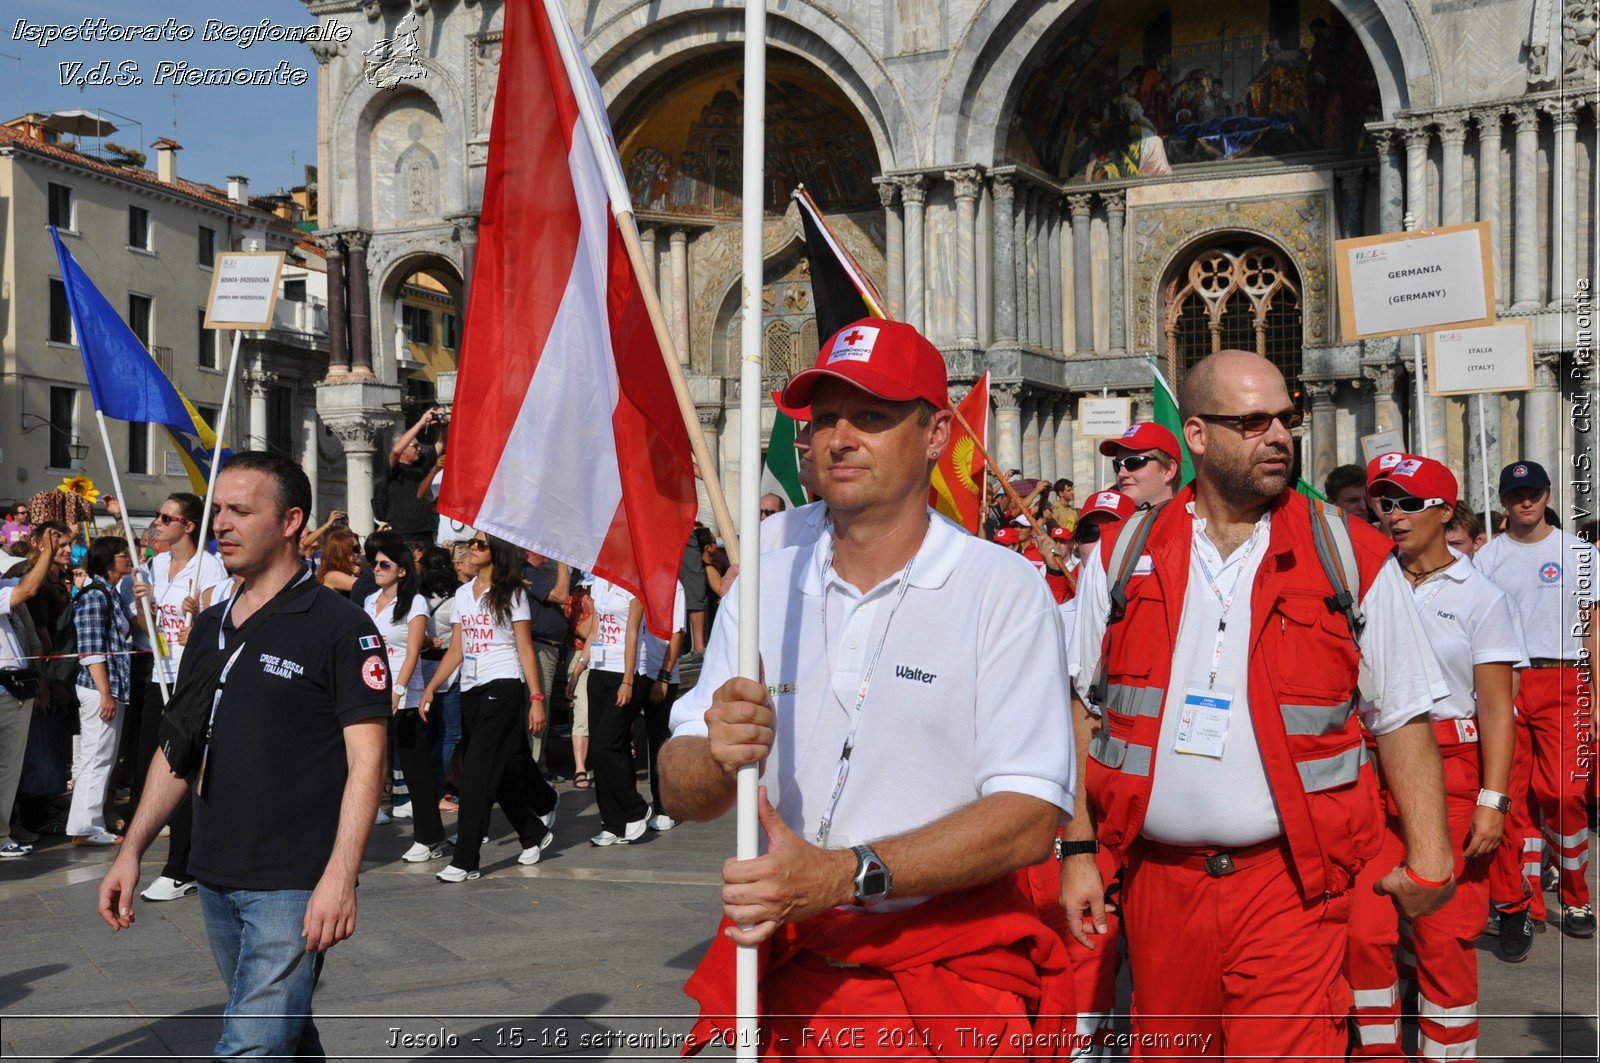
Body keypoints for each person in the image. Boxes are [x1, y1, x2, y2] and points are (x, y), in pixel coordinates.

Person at [663, 318, 1075, 1053]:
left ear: (937, 432)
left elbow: (1028, 815)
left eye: (873, 416)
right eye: (824, 418)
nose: (840, 438)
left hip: (945, 980)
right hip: (789, 974)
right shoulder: (765, 572)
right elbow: (679, 787)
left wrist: (844, 874)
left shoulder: (999, 587)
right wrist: (716, 754)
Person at [1060, 350, 1455, 1060]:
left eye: (1286, 416)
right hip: (1157, 884)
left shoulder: (1350, 552)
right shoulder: (1120, 555)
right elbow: (1082, 712)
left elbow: (1401, 713)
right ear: (1199, 434)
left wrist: (1430, 852)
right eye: (1254, 420)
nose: (1279, 433)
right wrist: (1080, 851)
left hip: (1294, 885)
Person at [99, 452, 390, 1059]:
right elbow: (177, 748)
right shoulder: (209, 626)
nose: (220, 525)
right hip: (216, 870)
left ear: (290, 521)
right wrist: (133, 850)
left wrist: (341, 876)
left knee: (249, 1049)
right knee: (284, 1035)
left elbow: (369, 762)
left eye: (239, 510)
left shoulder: (341, 626)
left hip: (293, 881)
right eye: (218, 511)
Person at [1346, 455, 1522, 1059]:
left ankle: (1447, 1054)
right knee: (1364, 930)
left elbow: (1499, 710)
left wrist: (1492, 802)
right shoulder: (1365, 579)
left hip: (1452, 769)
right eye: (1384, 502)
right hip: (1370, 769)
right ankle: (1377, 1054)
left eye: (1409, 503)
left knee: (1442, 936)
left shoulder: (1482, 596)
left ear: (1446, 511)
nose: (1393, 515)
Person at [1475, 461, 1599, 949]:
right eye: (1514, 495)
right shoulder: (1487, 560)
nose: (1524, 502)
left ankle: (1575, 895)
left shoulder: (1580, 553)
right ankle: (1520, 902)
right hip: (1506, 681)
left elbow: (1593, 627)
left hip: (1565, 678)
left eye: (1532, 493)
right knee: (1512, 796)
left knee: (1565, 793)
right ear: (1504, 502)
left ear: (1547, 495)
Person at [420, 533, 558, 882]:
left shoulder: (512, 593)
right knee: (498, 770)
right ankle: (533, 833)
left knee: (477, 773)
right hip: (470, 688)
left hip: (504, 683)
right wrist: (431, 688)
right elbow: (456, 650)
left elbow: (525, 649)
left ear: (496, 552)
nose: (472, 548)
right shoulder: (463, 594)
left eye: (480, 544)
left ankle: (466, 860)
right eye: (471, 543)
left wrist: (537, 698)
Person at [131, 493, 229, 902]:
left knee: (180, 768)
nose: (158, 522)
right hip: (159, 674)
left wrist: (200, 626)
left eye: (166, 516)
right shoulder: (154, 565)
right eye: (157, 515)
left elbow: (221, 624)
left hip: (190, 679)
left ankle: (181, 868)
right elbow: (147, 626)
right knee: (144, 769)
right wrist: (143, 605)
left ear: (188, 525)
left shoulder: (209, 567)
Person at [362, 532, 447, 863]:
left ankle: (429, 837)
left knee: (415, 770)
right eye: (374, 563)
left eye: (384, 564)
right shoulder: (370, 601)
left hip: (405, 697)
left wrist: (398, 689)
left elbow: (413, 650)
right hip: (371, 692)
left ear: (401, 570)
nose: (376, 568)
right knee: (369, 763)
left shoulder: (415, 602)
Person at [0, 526, 64, 857]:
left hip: (13, 689)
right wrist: (48, 551)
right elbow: (27, 588)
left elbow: (29, 584)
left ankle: (1, 835)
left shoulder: (4, 587)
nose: (8, 572)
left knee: (9, 769)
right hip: (4, 690)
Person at [68, 537, 136, 846]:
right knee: (95, 757)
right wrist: (106, 693)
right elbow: (91, 650)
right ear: (108, 561)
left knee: (102, 757)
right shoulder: (94, 596)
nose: (128, 559)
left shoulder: (110, 593)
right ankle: (85, 825)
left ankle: (88, 823)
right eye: (123, 555)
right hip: (99, 689)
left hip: (111, 688)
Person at [585, 574, 652, 845]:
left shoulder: (634, 587)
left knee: (605, 746)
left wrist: (628, 680)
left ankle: (636, 808)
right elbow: (594, 630)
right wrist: (579, 667)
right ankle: (613, 822)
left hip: (624, 673)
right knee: (608, 749)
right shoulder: (598, 583)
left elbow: (632, 635)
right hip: (598, 670)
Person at [637, 577, 686, 833]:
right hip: (635, 671)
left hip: (661, 674)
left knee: (658, 741)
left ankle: (665, 807)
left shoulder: (674, 585)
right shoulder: (636, 580)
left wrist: (664, 677)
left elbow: (677, 633)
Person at [519, 551, 571, 765]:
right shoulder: (527, 571)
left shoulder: (532, 572)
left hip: (546, 647)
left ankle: (539, 765)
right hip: (539, 648)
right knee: (538, 708)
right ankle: (535, 770)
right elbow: (561, 595)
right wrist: (564, 563)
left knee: (541, 708)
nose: (547, 554)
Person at [380, 407, 445, 543]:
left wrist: (443, 425)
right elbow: (395, 451)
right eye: (414, 446)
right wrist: (421, 422)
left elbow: (440, 444)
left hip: (425, 530)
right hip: (403, 533)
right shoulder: (393, 468)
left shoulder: (421, 463)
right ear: (404, 448)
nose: (419, 448)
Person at [1100, 422, 1182, 505]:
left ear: (1168, 470)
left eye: (1133, 462)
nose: (1121, 474)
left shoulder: (1189, 517)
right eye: (1117, 465)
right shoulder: (1110, 517)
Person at [315, 528, 361, 596]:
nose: (360, 551)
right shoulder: (332, 575)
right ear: (342, 553)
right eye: (356, 549)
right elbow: (366, 587)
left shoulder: (342, 572)